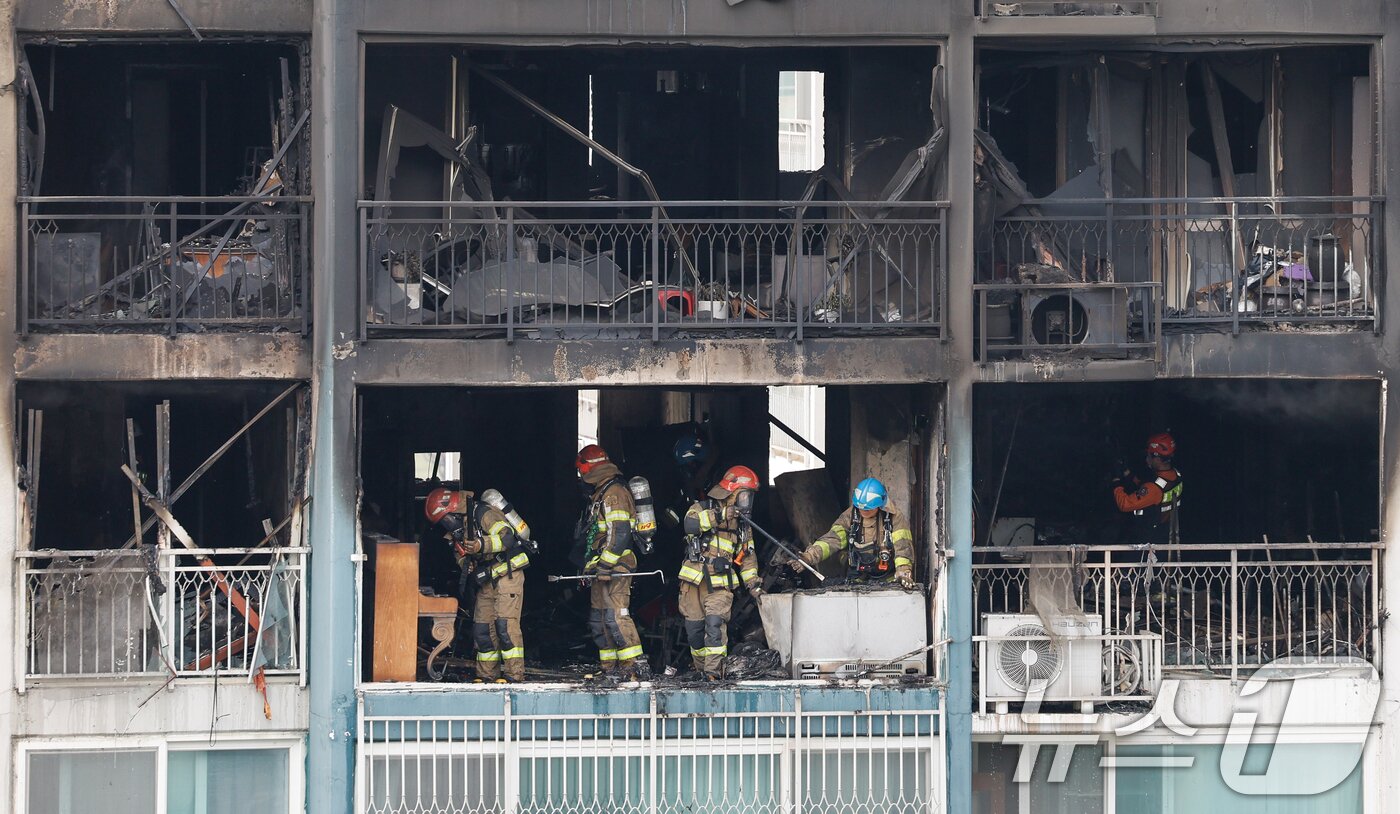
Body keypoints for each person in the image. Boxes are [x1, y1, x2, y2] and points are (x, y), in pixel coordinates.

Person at [424, 488, 531, 682]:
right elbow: (460, 556)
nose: (447, 525)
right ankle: (487, 676)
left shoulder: (482, 513)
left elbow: (507, 537)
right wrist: (467, 565)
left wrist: (482, 545)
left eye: (446, 519)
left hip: (508, 573)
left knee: (505, 626)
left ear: (454, 508)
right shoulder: (458, 531)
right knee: (482, 629)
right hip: (486, 578)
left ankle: (514, 676)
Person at [679, 465, 764, 679]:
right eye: (745, 495)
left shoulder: (744, 526)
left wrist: (753, 584)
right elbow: (690, 525)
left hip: (720, 584)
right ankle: (700, 670)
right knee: (695, 632)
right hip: (693, 582)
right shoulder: (701, 508)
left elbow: (748, 558)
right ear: (731, 491)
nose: (747, 501)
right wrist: (721, 515)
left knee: (715, 628)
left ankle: (713, 674)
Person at [575, 444, 649, 680]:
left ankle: (633, 669)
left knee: (616, 617)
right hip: (602, 567)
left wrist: (606, 565)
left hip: (617, 565)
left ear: (589, 468)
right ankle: (610, 669)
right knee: (599, 620)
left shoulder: (614, 492)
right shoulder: (601, 492)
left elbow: (620, 533)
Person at [791, 477, 917, 588]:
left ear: (881, 505)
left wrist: (903, 573)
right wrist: (809, 557)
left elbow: (903, 547)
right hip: (856, 578)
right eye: (860, 508)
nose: (863, 511)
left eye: (868, 509)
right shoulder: (850, 516)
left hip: (887, 578)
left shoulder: (894, 517)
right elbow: (831, 540)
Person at [1113, 432, 1183, 545]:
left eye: (1149, 456)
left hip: (1147, 542)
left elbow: (1125, 504)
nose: (1147, 459)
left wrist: (1116, 484)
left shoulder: (1154, 488)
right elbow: (1147, 486)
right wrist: (1128, 475)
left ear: (1157, 458)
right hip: (1163, 535)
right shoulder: (1175, 475)